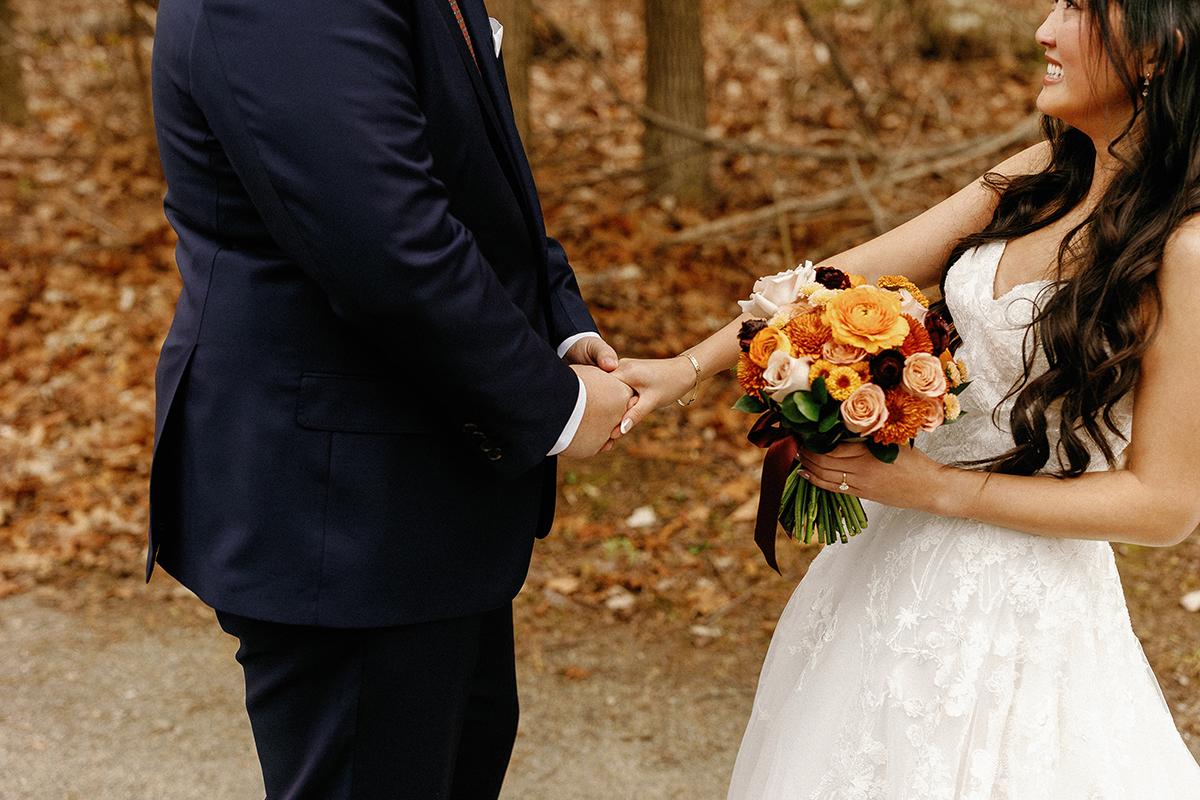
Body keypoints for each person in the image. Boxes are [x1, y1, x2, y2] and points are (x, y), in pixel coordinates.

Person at [615, 0, 1200, 795]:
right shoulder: (1039, 175)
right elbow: (841, 281)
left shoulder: (1186, 248)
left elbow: (1164, 505)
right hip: (885, 563)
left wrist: (937, 489)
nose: (1044, 31)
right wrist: (684, 369)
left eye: (1076, 9)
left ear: (1158, 51)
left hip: (1021, 610)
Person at [147, 0, 632, 797]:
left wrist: (561, 329)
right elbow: (388, 242)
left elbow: (470, 179)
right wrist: (556, 408)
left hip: (422, 494)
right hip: (341, 510)